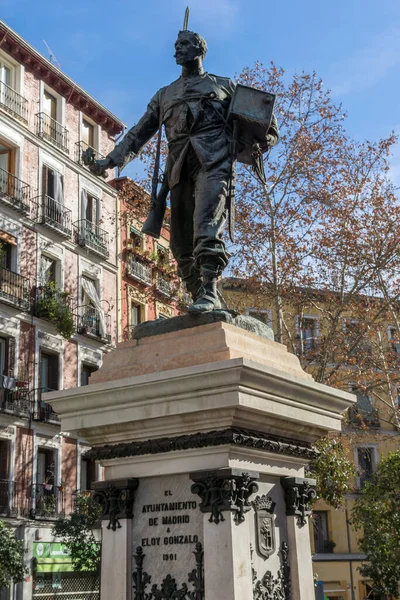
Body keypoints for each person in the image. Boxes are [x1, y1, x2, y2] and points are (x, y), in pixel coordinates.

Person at [89, 29, 279, 313]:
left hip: (214, 162)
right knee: (179, 244)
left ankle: (210, 293)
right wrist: (109, 161)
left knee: (206, 227)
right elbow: (139, 132)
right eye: (176, 45)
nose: (177, 49)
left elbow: (269, 130)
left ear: (200, 50)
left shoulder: (225, 86)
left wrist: (245, 144)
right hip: (178, 170)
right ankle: (199, 295)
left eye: (184, 44)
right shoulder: (164, 95)